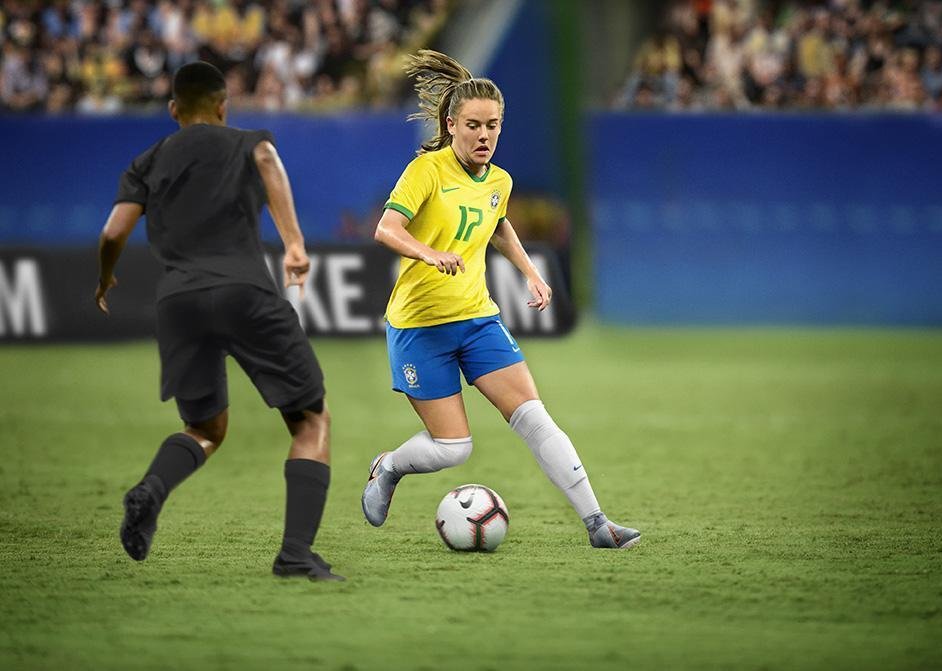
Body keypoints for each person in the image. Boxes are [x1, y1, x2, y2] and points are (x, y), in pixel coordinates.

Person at [361, 50, 640, 549]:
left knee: (535, 418)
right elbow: (387, 228)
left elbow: (499, 227)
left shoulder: (499, 180)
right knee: (452, 449)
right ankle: (388, 467)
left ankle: (599, 524)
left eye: (493, 125)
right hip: (419, 328)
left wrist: (532, 273)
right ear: (451, 125)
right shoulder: (426, 170)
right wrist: (428, 253)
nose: (484, 135)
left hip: (477, 320)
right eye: (473, 125)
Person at [95, 61, 342, 580]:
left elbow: (113, 232)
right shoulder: (245, 140)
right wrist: (294, 243)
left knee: (204, 427)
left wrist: (105, 278)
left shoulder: (147, 159)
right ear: (223, 106)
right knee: (310, 418)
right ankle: (295, 554)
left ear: (173, 110)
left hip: (179, 302)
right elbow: (269, 159)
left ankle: (152, 489)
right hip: (243, 291)